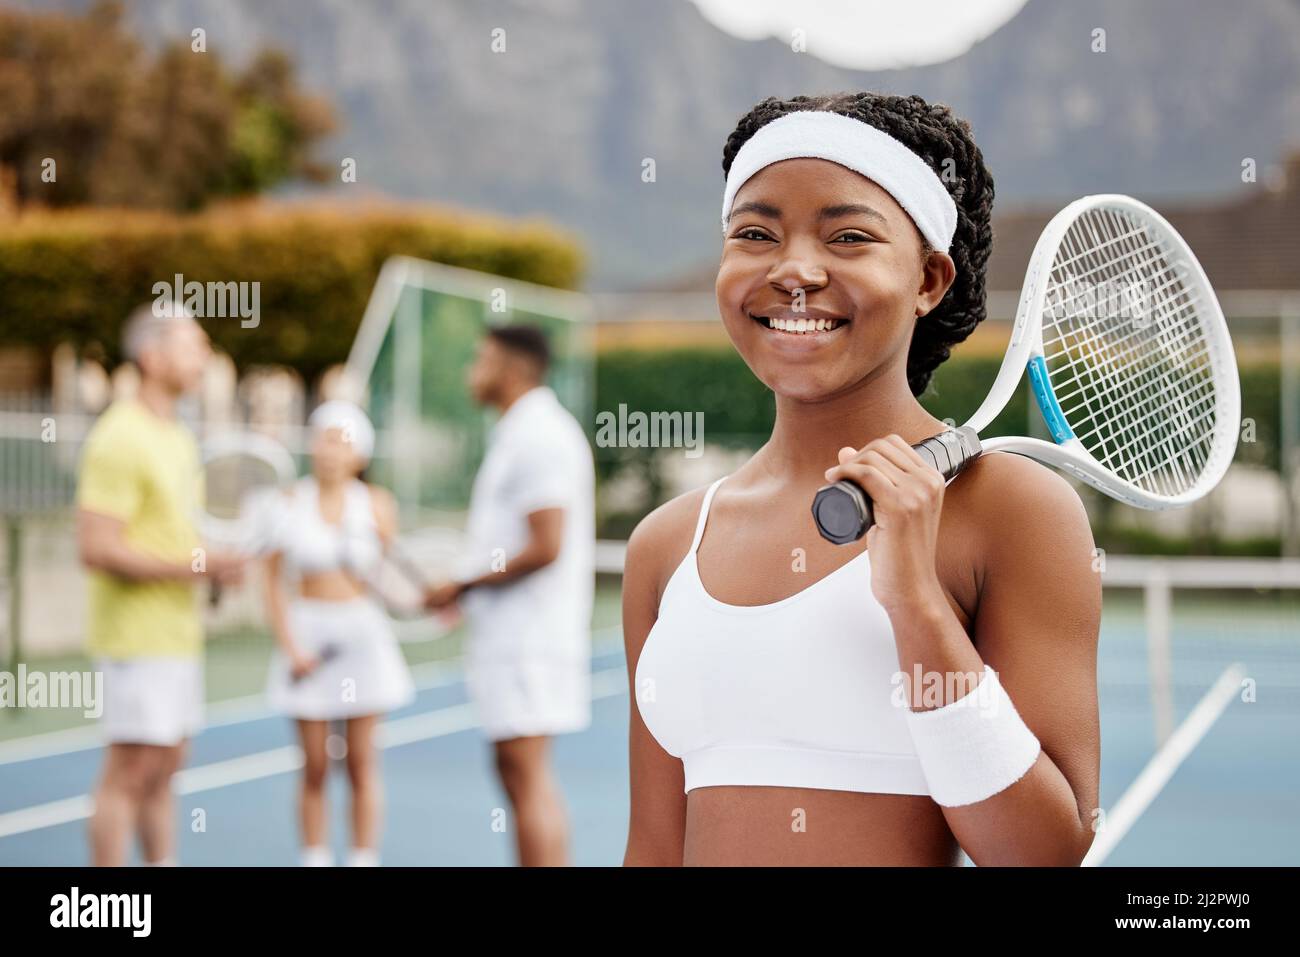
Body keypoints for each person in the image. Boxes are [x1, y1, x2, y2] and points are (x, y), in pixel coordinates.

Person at [623, 92, 1102, 866]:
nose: (795, 271)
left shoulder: (1013, 510)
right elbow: (652, 846)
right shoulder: (666, 543)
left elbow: (1044, 853)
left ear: (929, 280)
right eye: (754, 233)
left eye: (848, 236)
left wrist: (915, 603)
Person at [77, 302, 244, 867]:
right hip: (135, 640)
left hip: (176, 637)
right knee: (129, 774)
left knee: (166, 770)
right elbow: (96, 548)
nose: (204, 356)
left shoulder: (176, 436)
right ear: (152, 357)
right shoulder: (119, 436)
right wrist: (199, 567)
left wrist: (215, 566)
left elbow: (177, 541)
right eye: (193, 345)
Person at [425, 325, 595, 867]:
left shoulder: (538, 435)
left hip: (529, 640)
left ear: (513, 368)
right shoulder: (521, 431)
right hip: (517, 637)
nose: (471, 370)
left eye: (481, 359)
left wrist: (463, 582)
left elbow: (546, 545)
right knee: (517, 773)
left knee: (526, 775)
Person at [263, 400, 415, 867]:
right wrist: (291, 647)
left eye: (340, 441)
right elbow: (271, 582)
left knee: (361, 762)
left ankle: (362, 858)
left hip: (364, 636)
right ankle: (315, 857)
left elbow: (393, 575)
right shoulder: (287, 502)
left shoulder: (378, 505)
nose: (329, 450)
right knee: (313, 764)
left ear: (359, 455)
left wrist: (419, 604)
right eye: (323, 438)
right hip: (309, 635)